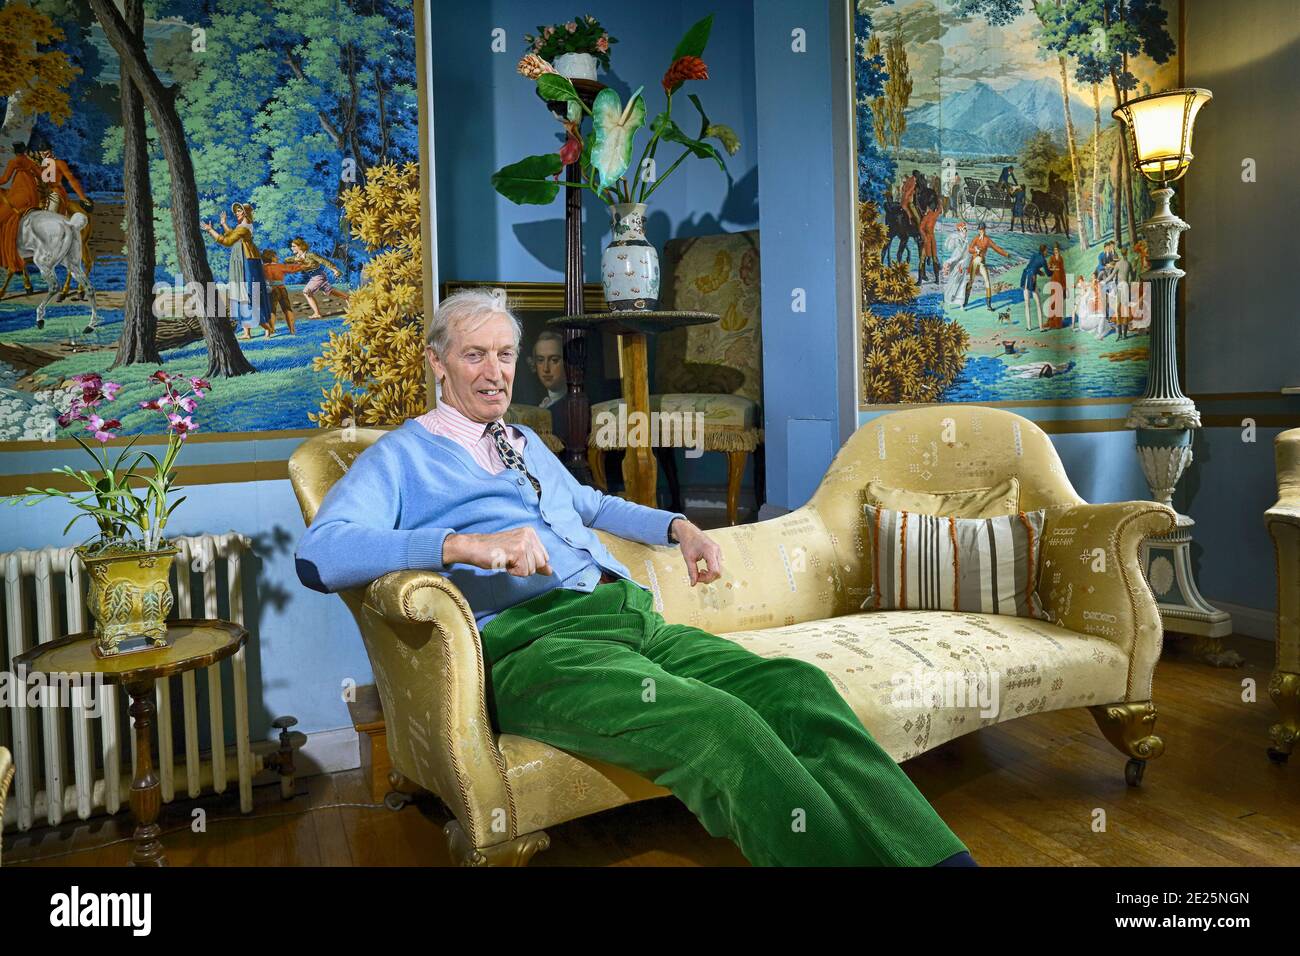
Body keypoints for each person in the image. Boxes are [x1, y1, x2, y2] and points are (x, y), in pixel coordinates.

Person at [294, 288, 977, 868]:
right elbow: (320, 555)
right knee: (718, 726)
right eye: (475, 355)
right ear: (437, 362)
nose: (496, 372)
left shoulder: (523, 442)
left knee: (795, 688)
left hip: (629, 621)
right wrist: (463, 545)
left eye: (505, 355)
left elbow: (590, 505)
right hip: (538, 652)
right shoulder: (402, 457)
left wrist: (676, 526)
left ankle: (943, 861)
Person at [203, 202, 272, 340]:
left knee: (249, 294)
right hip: (239, 260)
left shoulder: (245, 228)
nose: (236, 213)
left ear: (245, 213)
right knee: (241, 294)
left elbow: (227, 241)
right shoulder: (241, 227)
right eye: (236, 211)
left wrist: (210, 230)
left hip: (246, 262)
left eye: (239, 211)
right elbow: (232, 235)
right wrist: (223, 224)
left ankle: (267, 328)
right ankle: (247, 332)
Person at [0, 142, 43, 297]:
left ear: (13, 151)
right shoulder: (30, 162)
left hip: (19, 195)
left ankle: (9, 253)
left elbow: (4, 179)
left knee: (3, 217)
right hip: (32, 197)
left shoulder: (14, 162)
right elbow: (40, 176)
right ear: (24, 150)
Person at [288, 237, 349, 319]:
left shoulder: (311, 255)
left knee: (306, 292)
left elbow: (324, 261)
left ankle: (317, 313)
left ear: (300, 246)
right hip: (314, 277)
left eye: (294, 246)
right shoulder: (297, 257)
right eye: (292, 246)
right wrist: (295, 260)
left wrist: (334, 270)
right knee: (329, 291)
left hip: (318, 277)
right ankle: (347, 297)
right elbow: (288, 260)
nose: (292, 248)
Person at [260, 249, 312, 336]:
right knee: (287, 309)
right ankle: (292, 330)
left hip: (270, 290)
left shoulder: (261, 267)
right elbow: (293, 268)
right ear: (272, 258)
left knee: (271, 311)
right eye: (276, 256)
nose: (277, 257)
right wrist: (305, 265)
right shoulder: (280, 266)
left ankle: (270, 331)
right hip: (281, 289)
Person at [962, 222, 1009, 310]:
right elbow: (969, 249)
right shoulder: (976, 239)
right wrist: (976, 250)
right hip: (975, 262)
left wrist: (1006, 254)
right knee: (971, 281)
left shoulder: (987, 240)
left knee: (987, 281)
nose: (981, 231)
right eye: (980, 230)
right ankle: (965, 301)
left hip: (982, 263)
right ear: (978, 230)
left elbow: (996, 248)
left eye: (982, 230)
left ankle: (989, 305)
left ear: (985, 230)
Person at [529, 330, 567, 409]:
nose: (546, 368)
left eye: (554, 360)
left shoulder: (574, 403)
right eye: (540, 360)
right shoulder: (544, 403)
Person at [1020, 244, 1048, 331]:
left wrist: (1039, 272)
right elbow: (1049, 273)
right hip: (1031, 278)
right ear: (1044, 251)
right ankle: (1041, 327)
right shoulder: (1043, 259)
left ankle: (1029, 327)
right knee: (1038, 303)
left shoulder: (1034, 255)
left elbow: (1031, 266)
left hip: (1025, 276)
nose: (1047, 252)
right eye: (1047, 251)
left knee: (1027, 304)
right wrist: (1053, 271)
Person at [942, 220, 970, 305]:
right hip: (957, 265)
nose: (965, 231)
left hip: (963, 265)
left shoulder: (965, 241)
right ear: (960, 230)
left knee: (961, 284)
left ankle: (958, 302)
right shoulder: (958, 240)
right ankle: (947, 300)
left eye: (966, 229)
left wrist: (964, 263)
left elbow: (966, 254)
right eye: (964, 229)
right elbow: (958, 255)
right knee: (953, 282)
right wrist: (949, 262)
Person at [1044, 242, 1066, 329]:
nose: (1056, 251)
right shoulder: (1051, 258)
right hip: (1054, 279)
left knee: (1059, 302)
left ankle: (1058, 323)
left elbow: (1063, 271)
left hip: (1060, 279)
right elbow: (1049, 267)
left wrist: (1064, 284)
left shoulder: (1061, 258)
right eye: (1054, 250)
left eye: (1057, 249)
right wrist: (1054, 268)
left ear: (1059, 250)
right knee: (1053, 302)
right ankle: (1051, 321)